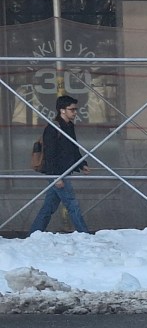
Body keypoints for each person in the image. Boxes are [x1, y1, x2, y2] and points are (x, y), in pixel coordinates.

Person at [29, 94, 90, 235]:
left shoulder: (69, 126)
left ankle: (33, 233)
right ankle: (84, 234)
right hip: (57, 173)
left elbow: (73, 148)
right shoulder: (53, 128)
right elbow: (50, 154)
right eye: (72, 109)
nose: (75, 112)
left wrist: (82, 164)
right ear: (62, 110)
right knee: (72, 204)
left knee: (49, 206)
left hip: (63, 172)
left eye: (75, 109)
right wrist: (56, 176)